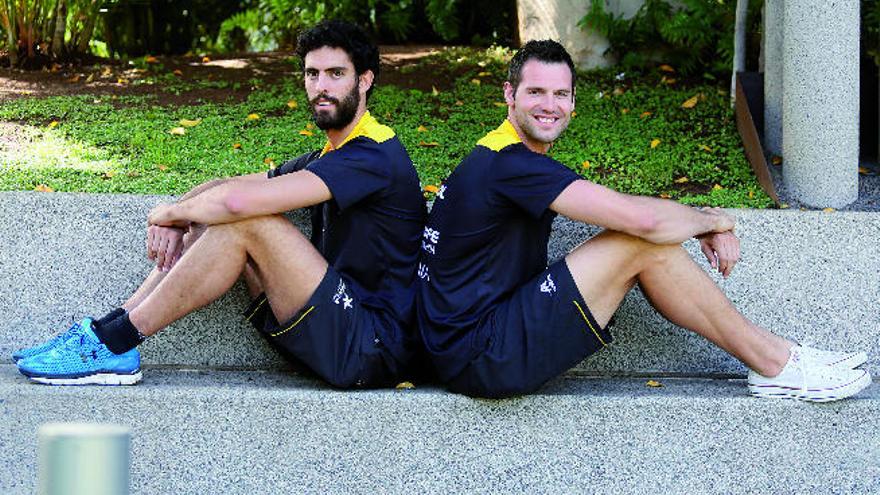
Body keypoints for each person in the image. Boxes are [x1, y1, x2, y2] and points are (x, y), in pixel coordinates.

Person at [416, 39, 871, 402]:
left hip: (470, 343)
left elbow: (637, 212)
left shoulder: (499, 156)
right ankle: (777, 364)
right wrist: (712, 220)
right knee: (638, 241)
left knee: (640, 238)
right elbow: (643, 221)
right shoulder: (511, 164)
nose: (549, 105)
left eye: (560, 94)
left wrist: (698, 221)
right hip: (479, 354)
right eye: (535, 92)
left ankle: (779, 358)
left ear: (574, 103)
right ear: (509, 95)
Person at [14, 20, 427, 388]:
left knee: (246, 221)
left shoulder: (374, 155)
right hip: (333, 331)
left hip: (372, 347)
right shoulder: (332, 154)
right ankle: (107, 330)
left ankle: (116, 343)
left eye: (336, 74)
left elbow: (235, 202)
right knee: (220, 214)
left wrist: (165, 214)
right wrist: (184, 214)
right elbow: (227, 184)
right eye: (312, 74)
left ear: (365, 80)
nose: (321, 86)